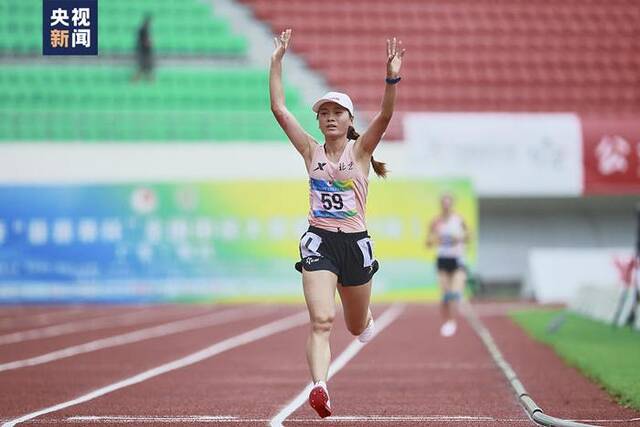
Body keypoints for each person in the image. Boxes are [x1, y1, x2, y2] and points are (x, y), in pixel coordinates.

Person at [269, 28, 405, 418]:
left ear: (348, 121)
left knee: (355, 324)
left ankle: (364, 321)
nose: (329, 119)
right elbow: (280, 110)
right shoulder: (310, 150)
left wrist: (391, 78)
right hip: (319, 243)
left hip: (355, 245)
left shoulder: (360, 152)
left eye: (336, 113)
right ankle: (319, 387)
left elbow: (385, 114)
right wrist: (276, 63)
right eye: (323, 114)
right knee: (321, 320)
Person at [426, 193, 471, 337]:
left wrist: (460, 237)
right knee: (445, 295)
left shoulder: (459, 219)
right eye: (443, 203)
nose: (446, 206)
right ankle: (447, 320)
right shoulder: (436, 221)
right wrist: (435, 239)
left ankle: (452, 321)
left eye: (448, 203)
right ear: (441, 205)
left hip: (457, 259)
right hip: (442, 260)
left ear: (452, 204)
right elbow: (427, 241)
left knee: (454, 293)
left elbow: (469, 235)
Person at [132, 14, 154, 82]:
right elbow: (143, 41)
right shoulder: (143, 30)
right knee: (143, 67)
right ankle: (135, 81)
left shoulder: (145, 29)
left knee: (146, 68)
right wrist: (149, 42)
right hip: (144, 52)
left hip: (145, 52)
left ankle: (150, 81)